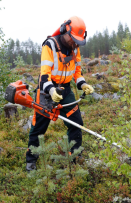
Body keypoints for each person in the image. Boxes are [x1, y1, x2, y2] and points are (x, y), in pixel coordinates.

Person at [26, 16, 94, 171]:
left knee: (76, 123)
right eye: (73, 39)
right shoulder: (49, 45)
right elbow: (44, 76)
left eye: (78, 40)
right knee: (39, 128)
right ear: (65, 31)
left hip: (66, 90)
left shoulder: (75, 48)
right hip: (47, 91)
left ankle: (74, 156)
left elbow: (77, 71)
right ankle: (31, 161)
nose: (75, 43)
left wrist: (82, 84)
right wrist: (50, 91)